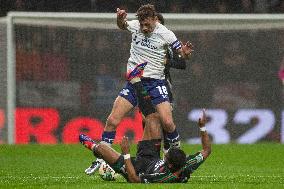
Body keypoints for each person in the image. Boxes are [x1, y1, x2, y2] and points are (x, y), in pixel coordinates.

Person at [85, 4, 193, 175]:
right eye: (141, 24)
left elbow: (181, 54)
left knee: (167, 122)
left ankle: (175, 154)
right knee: (112, 120)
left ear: (154, 20)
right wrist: (120, 19)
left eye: (147, 24)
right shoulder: (135, 25)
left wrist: (185, 53)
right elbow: (122, 26)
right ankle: (101, 158)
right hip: (134, 83)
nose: (144, 27)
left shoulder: (166, 33)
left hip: (156, 83)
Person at [79, 109, 211, 183]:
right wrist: (203, 127)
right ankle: (143, 98)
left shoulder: (163, 177)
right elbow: (207, 150)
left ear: (169, 165)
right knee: (153, 117)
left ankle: (93, 147)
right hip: (151, 157)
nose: (165, 153)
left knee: (102, 147)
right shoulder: (187, 164)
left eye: (166, 156)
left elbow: (135, 180)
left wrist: (126, 154)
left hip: (135, 168)